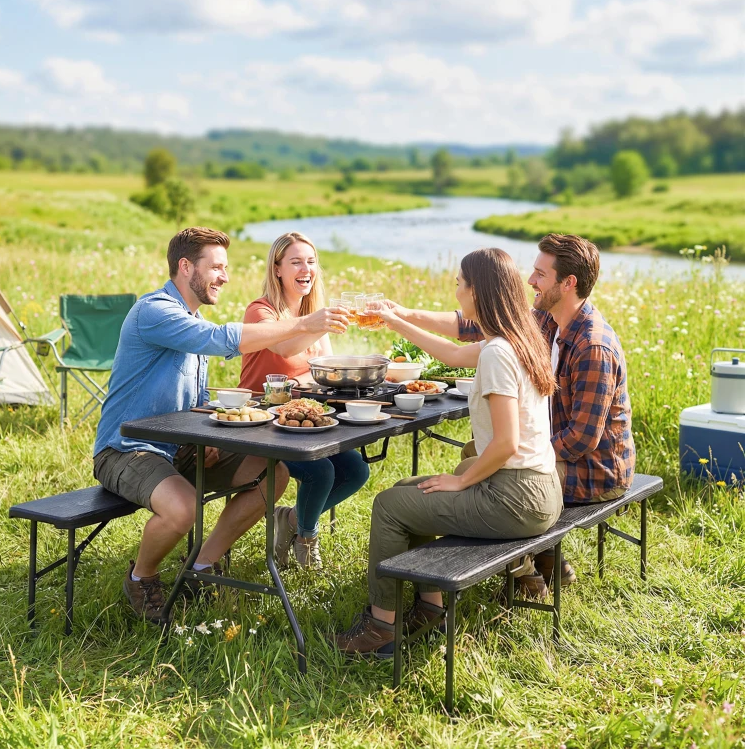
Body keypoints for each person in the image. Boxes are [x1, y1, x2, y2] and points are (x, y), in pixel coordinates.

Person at [93, 227, 350, 624]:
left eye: (225, 268)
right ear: (185, 267)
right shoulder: (155, 312)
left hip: (180, 447)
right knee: (183, 509)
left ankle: (202, 566)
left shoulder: (190, 316)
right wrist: (304, 324)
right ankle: (141, 577)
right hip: (128, 450)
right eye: (216, 268)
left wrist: (205, 437)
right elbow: (218, 338)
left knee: (274, 473)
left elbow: (191, 397)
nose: (224, 277)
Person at [334, 248, 562, 657]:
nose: (456, 290)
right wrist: (394, 320)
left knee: (389, 506)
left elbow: (506, 442)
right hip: (543, 489)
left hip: (516, 499)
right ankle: (429, 608)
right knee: (414, 488)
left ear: (479, 291)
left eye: (460, 283)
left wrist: (461, 480)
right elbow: (454, 355)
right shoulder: (519, 338)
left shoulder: (497, 353)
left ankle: (381, 629)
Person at [379, 233, 635, 596]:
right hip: (547, 466)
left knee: (481, 467)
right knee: (473, 457)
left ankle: (532, 565)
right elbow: (470, 328)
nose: (529, 280)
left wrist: (525, 454)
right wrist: (401, 316)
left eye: (540, 274)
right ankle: (537, 565)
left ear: (568, 283)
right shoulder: (542, 324)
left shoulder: (592, 345)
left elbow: (581, 439)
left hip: (594, 469)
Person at [239, 232, 370, 569]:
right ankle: (306, 538)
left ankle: (294, 521)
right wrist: (319, 324)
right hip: (260, 423)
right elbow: (284, 347)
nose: (306, 268)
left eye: (311, 261)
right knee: (321, 471)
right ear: (278, 268)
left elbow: (321, 370)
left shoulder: (314, 314)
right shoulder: (260, 312)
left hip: (301, 420)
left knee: (356, 470)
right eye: (296, 261)